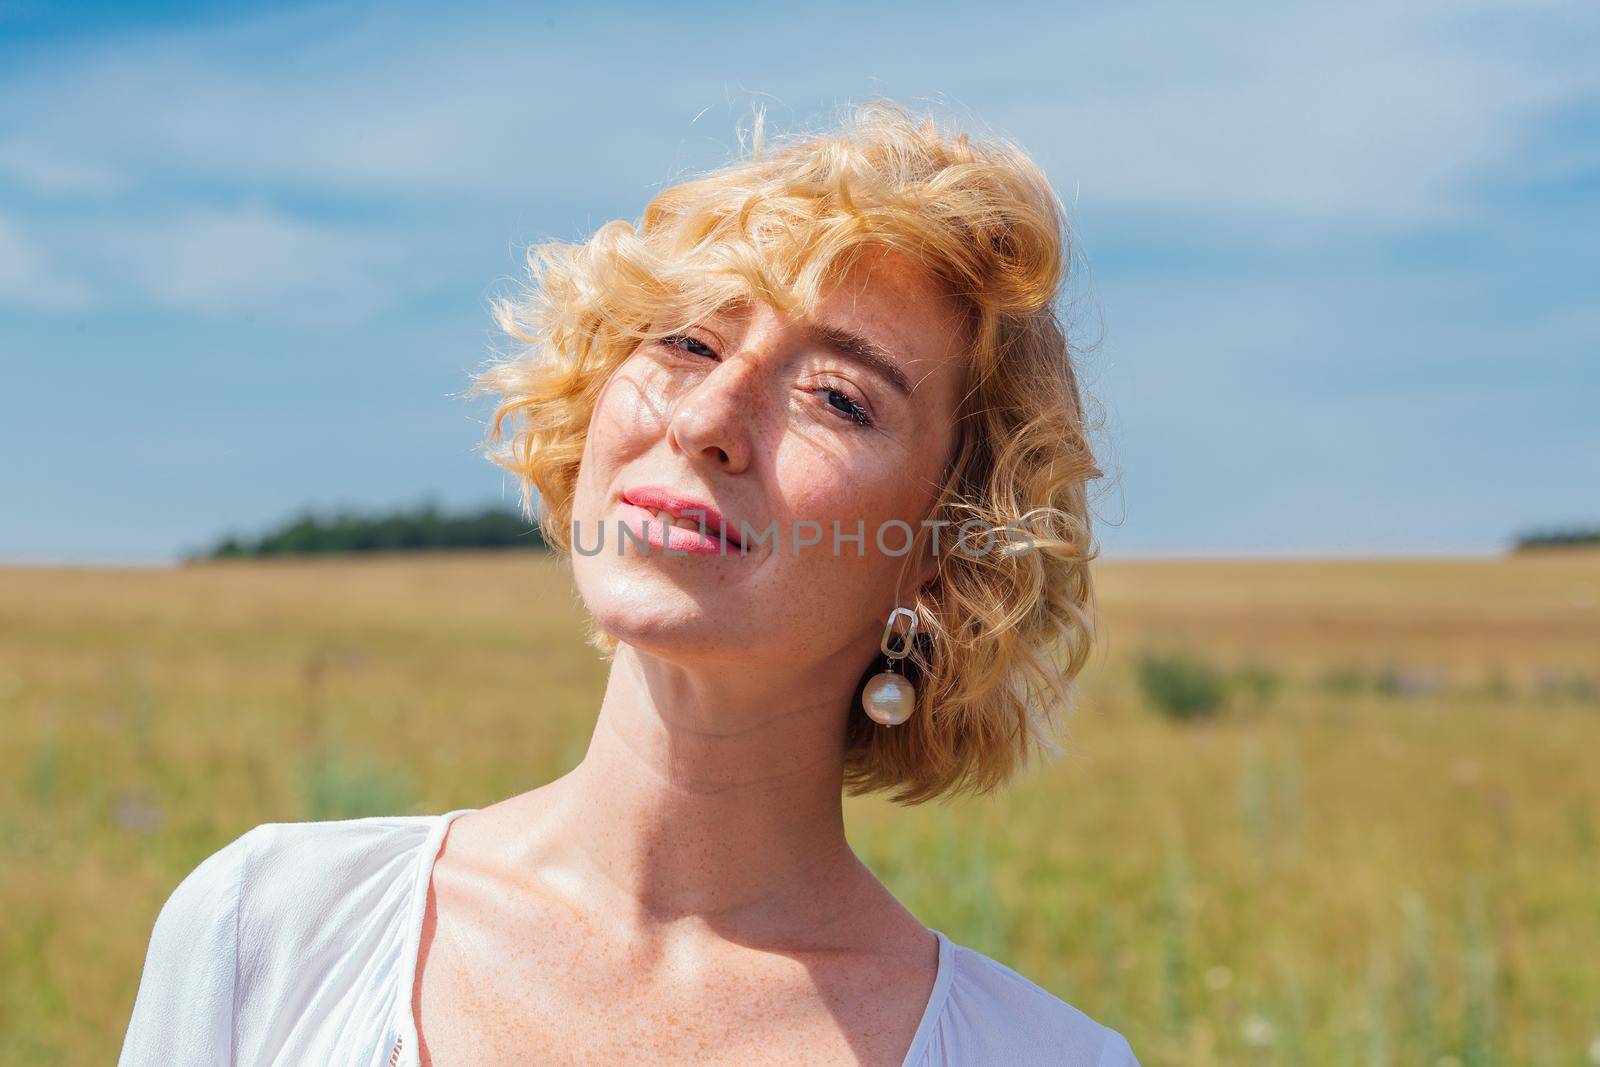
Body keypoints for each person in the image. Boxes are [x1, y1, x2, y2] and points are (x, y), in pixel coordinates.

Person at [118, 99, 1138, 1066]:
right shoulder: (270, 926)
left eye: (835, 395)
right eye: (686, 339)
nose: (705, 418)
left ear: (947, 548)